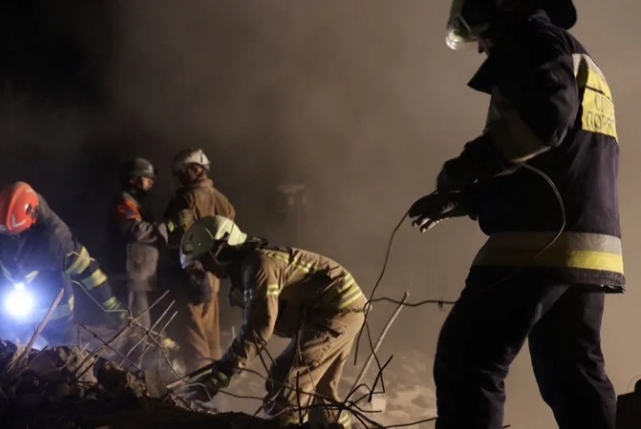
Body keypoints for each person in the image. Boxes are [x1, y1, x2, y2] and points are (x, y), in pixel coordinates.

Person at [408, 1, 622, 428]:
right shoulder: (574, 54)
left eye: (482, 34)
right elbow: (549, 163)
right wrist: (466, 200)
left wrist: (461, 170)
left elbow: (544, 125)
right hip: (588, 246)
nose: (483, 48)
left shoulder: (533, 41)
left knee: (468, 359)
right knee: (573, 375)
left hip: (536, 241)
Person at [180, 215, 365, 428]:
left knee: (290, 382)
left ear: (221, 246)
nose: (204, 267)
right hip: (335, 310)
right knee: (312, 387)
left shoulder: (258, 265)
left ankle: (284, 421)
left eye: (205, 258)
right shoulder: (249, 269)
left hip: (336, 309)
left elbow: (259, 327)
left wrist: (224, 371)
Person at [0, 181, 126, 344]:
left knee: (60, 354)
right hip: (20, 305)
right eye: (7, 235)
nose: (10, 240)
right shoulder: (9, 214)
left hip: (56, 310)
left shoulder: (57, 241)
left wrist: (111, 305)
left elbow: (88, 270)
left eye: (15, 234)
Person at [163, 148, 237, 372]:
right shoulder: (222, 200)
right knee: (210, 327)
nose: (180, 179)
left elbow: (182, 234)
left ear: (196, 170)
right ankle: (214, 375)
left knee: (191, 327)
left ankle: (199, 378)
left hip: (191, 271)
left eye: (183, 173)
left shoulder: (187, 198)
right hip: (213, 272)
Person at [107, 157, 171, 330]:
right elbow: (134, 229)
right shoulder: (123, 202)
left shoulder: (138, 204)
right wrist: (168, 227)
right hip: (131, 277)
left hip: (142, 277)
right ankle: (131, 358)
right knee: (137, 328)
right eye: (146, 177)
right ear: (133, 179)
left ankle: (144, 357)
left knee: (145, 327)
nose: (151, 181)